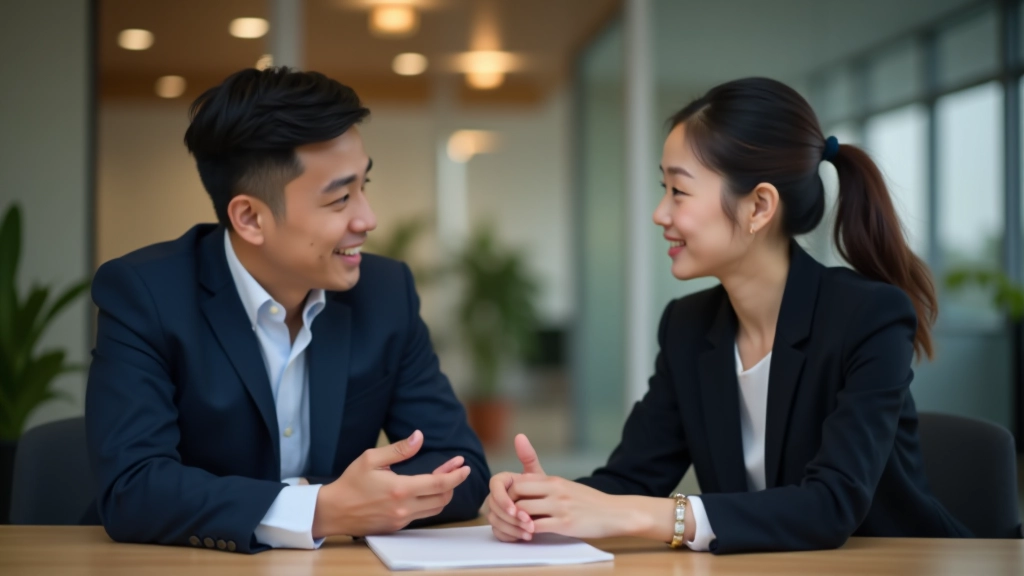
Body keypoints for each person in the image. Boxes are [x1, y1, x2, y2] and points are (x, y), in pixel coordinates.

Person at [486, 77, 971, 554]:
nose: (660, 213)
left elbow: (830, 506)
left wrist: (652, 514)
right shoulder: (687, 327)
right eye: (664, 188)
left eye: (678, 191)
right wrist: (537, 506)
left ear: (760, 206)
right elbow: (630, 479)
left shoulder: (869, 317)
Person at [86, 67, 490, 554]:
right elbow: (133, 488)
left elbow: (462, 467)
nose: (368, 218)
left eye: (365, 185)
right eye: (340, 198)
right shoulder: (145, 294)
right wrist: (323, 508)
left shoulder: (385, 292)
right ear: (250, 217)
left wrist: (331, 502)